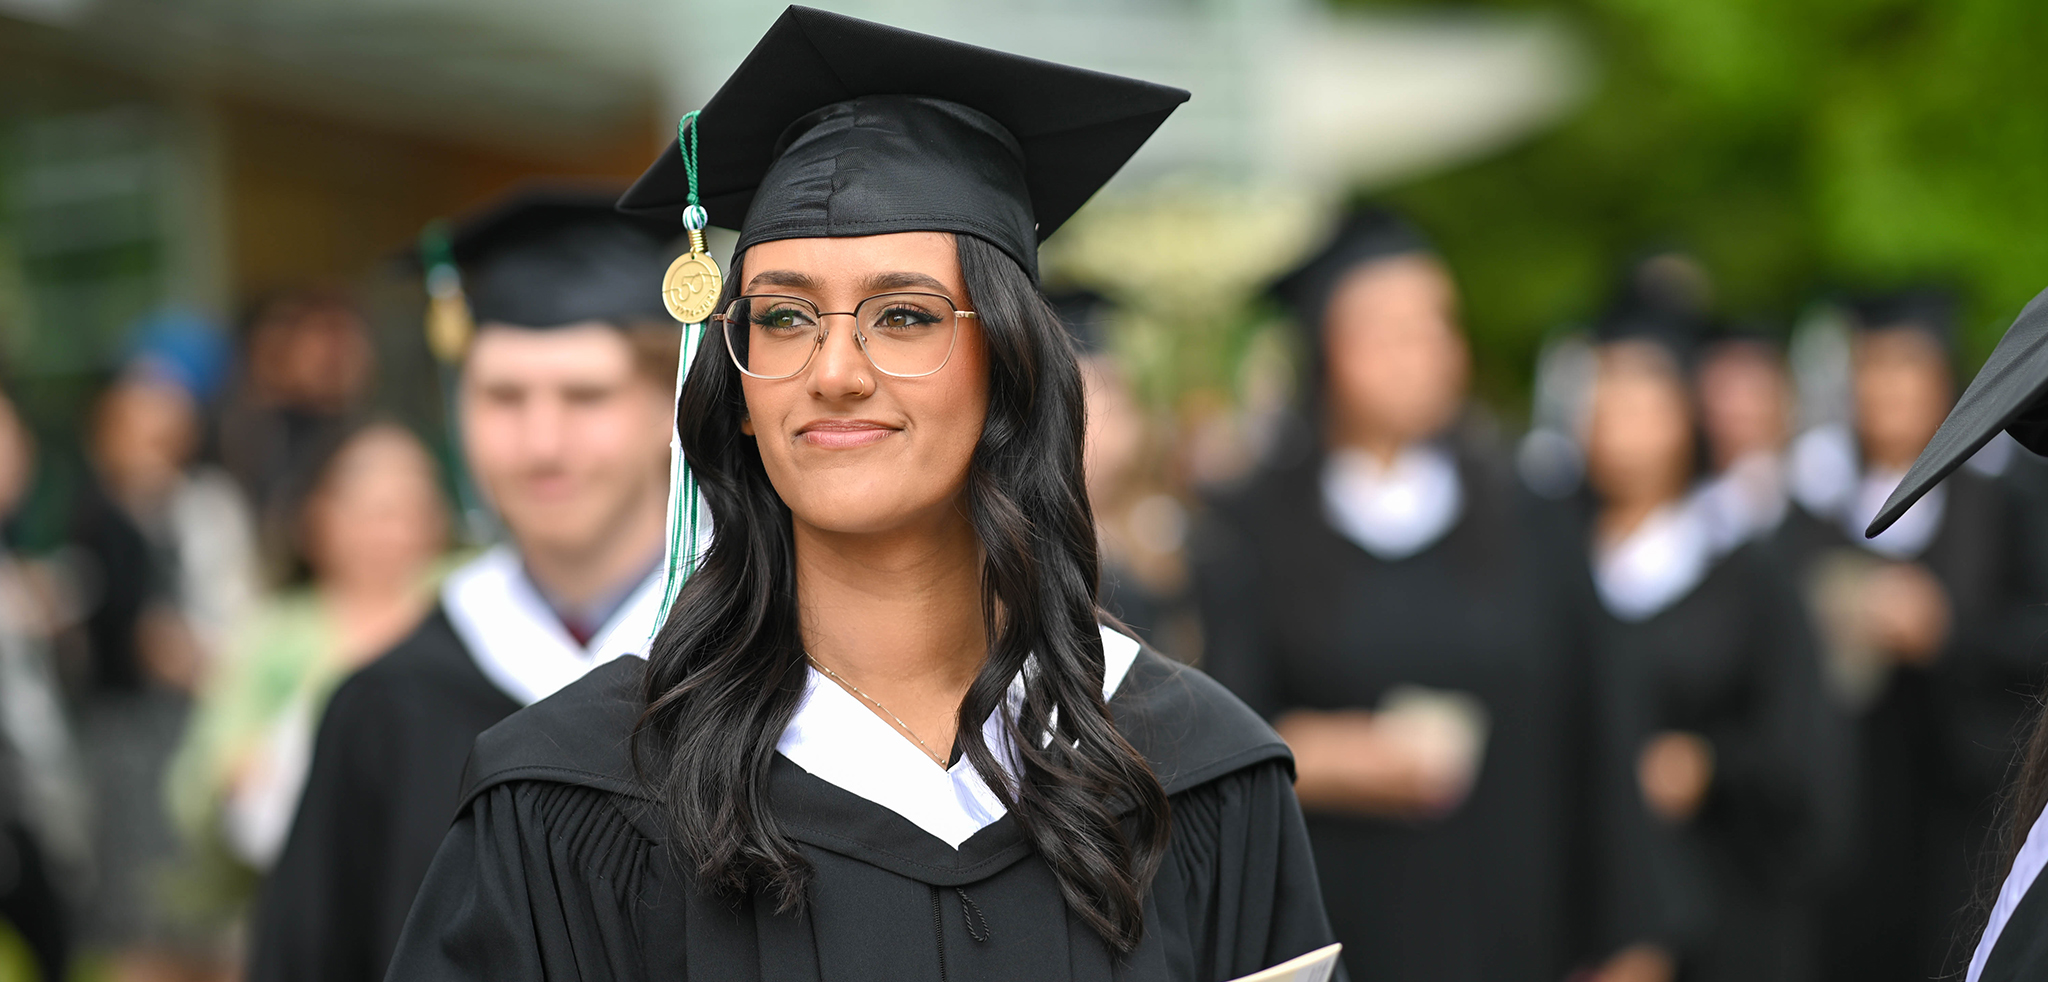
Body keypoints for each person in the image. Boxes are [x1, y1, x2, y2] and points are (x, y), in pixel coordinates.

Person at [385, 9, 1340, 981]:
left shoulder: (1191, 770)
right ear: (740, 386)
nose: (833, 369)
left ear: (1009, 367)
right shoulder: (575, 796)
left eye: (904, 315)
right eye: (786, 316)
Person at [1191, 209, 1663, 982]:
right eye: (1387, 330)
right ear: (1324, 352)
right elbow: (1213, 738)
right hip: (1335, 937)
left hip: (1518, 937)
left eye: (1437, 325)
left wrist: (1627, 946)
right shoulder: (1252, 533)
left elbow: (1603, 737)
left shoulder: (1531, 515)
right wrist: (1322, 754)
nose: (1423, 353)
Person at [245, 194, 681, 982]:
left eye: (586, 396)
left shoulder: (765, 667)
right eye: (503, 397)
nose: (541, 444)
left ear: (669, 407)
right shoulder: (386, 704)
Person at [1577, 297, 1843, 982]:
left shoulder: (1744, 575)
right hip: (1588, 903)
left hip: (1727, 900)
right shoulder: (1553, 571)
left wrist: (1709, 768)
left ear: (1685, 418)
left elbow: (1802, 748)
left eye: (1642, 401)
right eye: (1604, 399)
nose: (1618, 423)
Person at [1794, 293, 2048, 982]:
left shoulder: (2004, 501)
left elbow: (2037, 637)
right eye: (1870, 368)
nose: (1886, 388)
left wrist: (1946, 630)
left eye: (1906, 365)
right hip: (1854, 816)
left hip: (1960, 811)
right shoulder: (1811, 514)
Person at [166, 423, 448, 916]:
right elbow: (202, 776)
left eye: (409, 508)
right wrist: (238, 772)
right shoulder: (276, 634)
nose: (392, 531)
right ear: (318, 517)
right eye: (372, 510)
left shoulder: (467, 603)